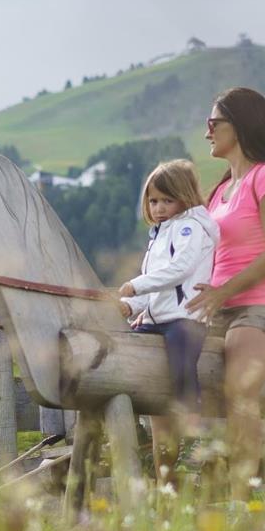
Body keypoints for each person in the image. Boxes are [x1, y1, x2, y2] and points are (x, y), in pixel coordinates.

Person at [184, 88, 265, 498]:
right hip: (222, 306)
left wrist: (223, 291)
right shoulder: (218, 193)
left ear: (241, 124)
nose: (207, 132)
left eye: (214, 122)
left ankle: (240, 498)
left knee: (239, 386)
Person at [116, 158, 218, 485]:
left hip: (184, 318)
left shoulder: (190, 228)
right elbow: (154, 282)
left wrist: (136, 285)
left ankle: (193, 431)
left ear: (185, 197)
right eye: (153, 200)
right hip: (159, 317)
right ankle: (131, 420)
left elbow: (180, 271)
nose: (158, 208)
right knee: (125, 354)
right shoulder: (158, 235)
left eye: (167, 200)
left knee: (180, 367)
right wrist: (130, 306)